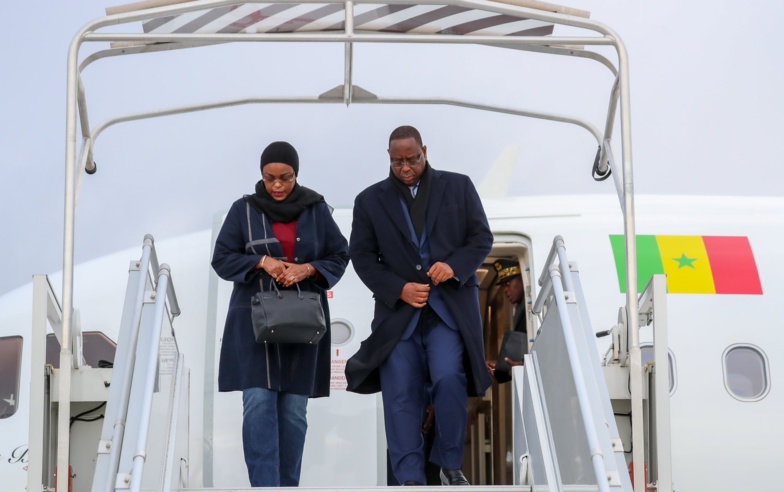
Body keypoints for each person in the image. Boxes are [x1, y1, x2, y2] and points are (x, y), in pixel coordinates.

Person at [346, 125, 494, 486]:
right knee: (400, 398)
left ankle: (449, 463)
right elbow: (362, 257)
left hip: (448, 311)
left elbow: (481, 239)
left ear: (424, 151)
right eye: (397, 162)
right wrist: (399, 289)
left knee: (448, 378)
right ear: (389, 158)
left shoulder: (458, 186)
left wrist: (454, 265)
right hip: (399, 317)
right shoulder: (369, 200)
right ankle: (410, 479)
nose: (405, 167)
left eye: (412, 159)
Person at [211, 141, 349, 487]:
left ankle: (287, 487)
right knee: (257, 403)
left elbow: (339, 256)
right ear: (261, 175)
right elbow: (222, 258)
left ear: (296, 174)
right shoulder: (242, 210)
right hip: (254, 326)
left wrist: (307, 270)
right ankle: (264, 487)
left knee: (293, 414)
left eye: (284, 178)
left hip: (302, 326)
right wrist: (262, 261)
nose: (276, 186)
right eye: (270, 178)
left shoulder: (317, 210)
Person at [486, 259, 527, 383]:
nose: (505, 290)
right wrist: (499, 365)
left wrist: (524, 364)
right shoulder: (521, 308)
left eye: (508, 283)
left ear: (523, 280)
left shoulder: (530, 308)